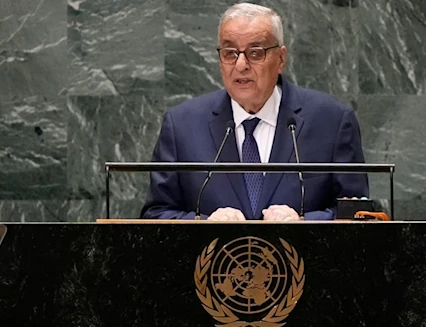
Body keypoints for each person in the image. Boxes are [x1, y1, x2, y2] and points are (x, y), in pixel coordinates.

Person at [140, 2, 368, 221]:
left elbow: (358, 214)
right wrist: (203, 222)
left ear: (280, 59)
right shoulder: (182, 125)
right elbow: (156, 214)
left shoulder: (332, 121)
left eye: (256, 52)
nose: (241, 65)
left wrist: (303, 221)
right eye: (230, 53)